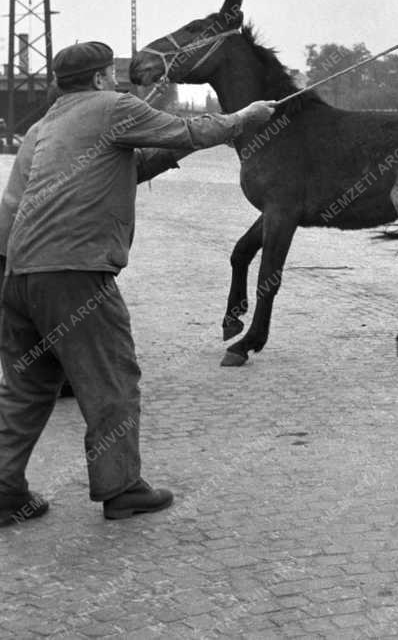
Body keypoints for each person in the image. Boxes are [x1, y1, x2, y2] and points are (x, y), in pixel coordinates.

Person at [0, 41, 277, 526]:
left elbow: (21, 203)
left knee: (25, 388)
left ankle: (4, 492)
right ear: (102, 78)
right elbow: (189, 129)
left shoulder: (44, 128)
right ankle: (122, 489)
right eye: (112, 73)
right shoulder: (113, 107)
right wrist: (248, 116)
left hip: (18, 276)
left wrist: (170, 154)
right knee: (112, 381)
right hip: (77, 275)